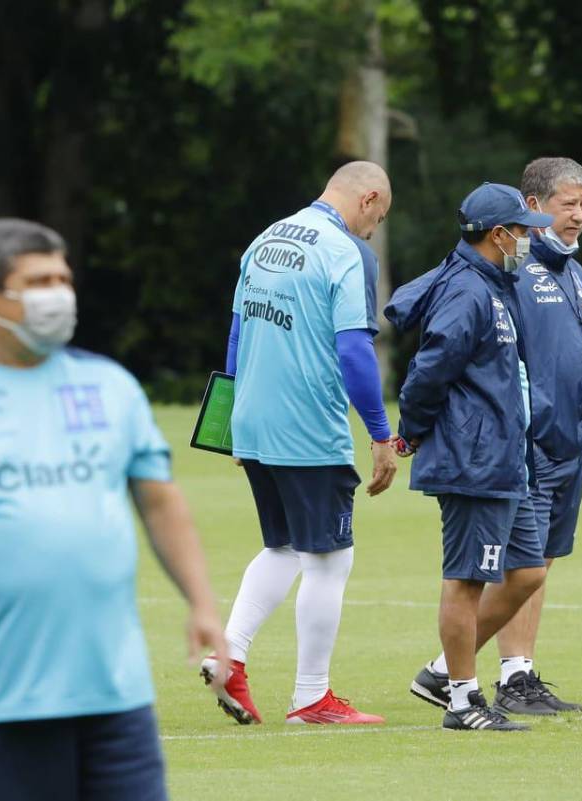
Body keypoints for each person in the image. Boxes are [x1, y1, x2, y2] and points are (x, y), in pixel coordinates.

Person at [0, 218, 227, 799]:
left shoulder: (110, 387)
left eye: (63, 279)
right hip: (1, 699)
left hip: (116, 697)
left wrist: (202, 602)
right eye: (38, 281)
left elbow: (160, 501)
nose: (57, 295)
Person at [204, 161, 398, 726]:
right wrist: (381, 434)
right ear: (368, 198)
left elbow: (239, 332)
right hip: (308, 426)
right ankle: (311, 696)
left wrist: (232, 419)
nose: (372, 231)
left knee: (284, 546)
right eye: (377, 218)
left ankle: (230, 655)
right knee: (331, 559)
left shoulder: (267, 238)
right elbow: (355, 352)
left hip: (254, 420)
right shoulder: (346, 251)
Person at [389, 183, 554, 731]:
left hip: (507, 455)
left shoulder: (496, 282)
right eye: (522, 229)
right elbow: (429, 370)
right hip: (473, 457)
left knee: (527, 570)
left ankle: (442, 672)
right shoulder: (467, 290)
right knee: (466, 580)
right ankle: (462, 701)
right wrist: (409, 433)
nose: (529, 238)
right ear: (496, 234)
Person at [456, 157, 582, 716]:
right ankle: (498, 674)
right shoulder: (513, 268)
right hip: (530, 441)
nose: (579, 216)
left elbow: (577, 351)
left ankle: (517, 672)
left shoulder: (574, 268)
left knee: (543, 559)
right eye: (568, 204)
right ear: (535, 207)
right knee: (525, 563)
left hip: (572, 440)